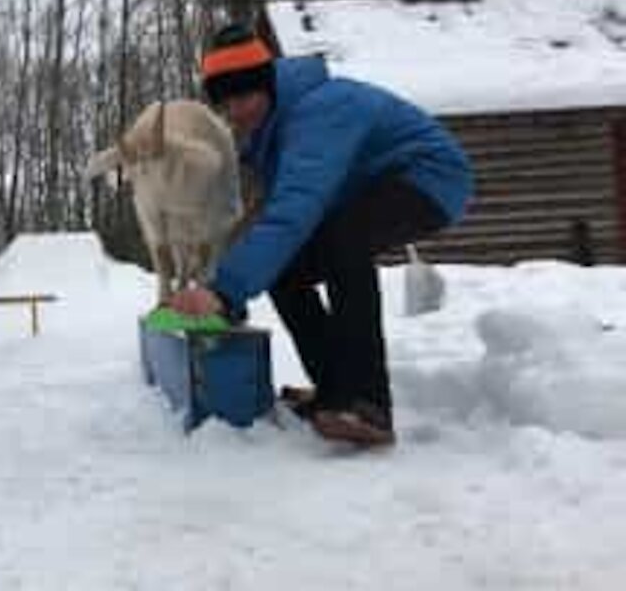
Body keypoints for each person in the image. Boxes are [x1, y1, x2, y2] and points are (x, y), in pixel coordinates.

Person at [171, 24, 474, 446]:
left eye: (243, 97)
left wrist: (225, 290)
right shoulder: (273, 134)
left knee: (342, 239)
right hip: (366, 188)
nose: (236, 112)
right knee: (286, 267)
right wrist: (216, 275)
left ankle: (368, 403)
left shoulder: (322, 110)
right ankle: (334, 391)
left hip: (429, 178)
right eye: (226, 103)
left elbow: (294, 211)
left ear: (268, 85)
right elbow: (269, 218)